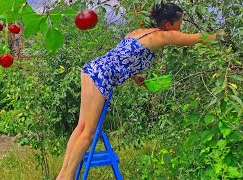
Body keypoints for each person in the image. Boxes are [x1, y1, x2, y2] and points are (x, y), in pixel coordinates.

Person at [57, 2, 225, 180]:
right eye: (180, 22)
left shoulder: (138, 33)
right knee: (89, 132)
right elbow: (196, 38)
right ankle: (66, 177)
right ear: (168, 24)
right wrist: (219, 36)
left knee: (81, 127)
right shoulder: (162, 36)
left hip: (92, 69)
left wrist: (135, 76)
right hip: (102, 76)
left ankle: (63, 175)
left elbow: (122, 57)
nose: (180, 27)